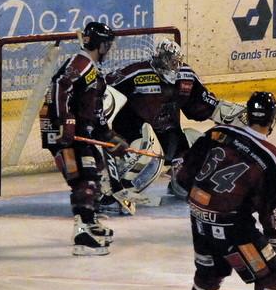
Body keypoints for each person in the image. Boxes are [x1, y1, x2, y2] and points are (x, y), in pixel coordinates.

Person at [173, 92, 276, 290]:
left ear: (248, 116)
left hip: (199, 218)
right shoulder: (273, 160)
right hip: (232, 230)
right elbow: (271, 212)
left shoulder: (217, 133)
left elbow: (183, 179)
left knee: (209, 274)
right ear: (273, 119)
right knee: (273, 278)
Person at [104, 39, 244, 206]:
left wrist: (235, 115)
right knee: (141, 154)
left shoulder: (186, 76)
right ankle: (116, 186)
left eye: (176, 62)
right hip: (134, 131)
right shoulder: (136, 73)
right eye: (169, 62)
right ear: (158, 59)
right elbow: (105, 93)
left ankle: (177, 177)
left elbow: (203, 105)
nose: (174, 66)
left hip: (168, 133)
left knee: (186, 180)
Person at [39, 22, 129, 255]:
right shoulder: (81, 63)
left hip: (79, 134)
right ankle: (82, 235)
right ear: (99, 44)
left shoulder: (93, 71)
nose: (109, 49)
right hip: (65, 135)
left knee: (94, 173)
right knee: (84, 180)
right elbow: (59, 86)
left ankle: (88, 223)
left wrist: (109, 136)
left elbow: (94, 112)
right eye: (107, 44)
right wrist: (65, 122)